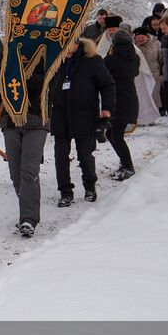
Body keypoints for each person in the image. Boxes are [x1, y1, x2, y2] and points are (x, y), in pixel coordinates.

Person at [49, 37, 115, 206]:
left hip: (84, 116)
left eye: (68, 43)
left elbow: (107, 84)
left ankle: (90, 185)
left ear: (77, 43)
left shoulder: (91, 60)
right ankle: (65, 191)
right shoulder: (55, 61)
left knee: (85, 155)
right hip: (60, 116)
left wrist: (106, 109)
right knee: (60, 157)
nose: (65, 47)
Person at [0, 59, 49, 237]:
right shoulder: (7, 58)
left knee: (29, 170)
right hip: (10, 121)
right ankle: (27, 203)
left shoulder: (45, 56)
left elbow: (49, 84)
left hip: (36, 120)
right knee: (15, 173)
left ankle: (28, 219)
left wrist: (24, 76)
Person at [104, 30, 140, 180]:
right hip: (129, 99)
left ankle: (128, 166)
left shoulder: (112, 59)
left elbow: (103, 73)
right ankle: (125, 163)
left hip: (118, 101)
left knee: (116, 136)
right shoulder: (135, 57)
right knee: (112, 134)